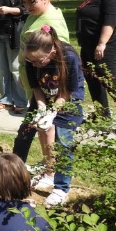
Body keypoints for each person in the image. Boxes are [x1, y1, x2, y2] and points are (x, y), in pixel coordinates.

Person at [11, 0, 71, 173]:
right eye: (24, 2)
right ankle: (48, 166)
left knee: (36, 128)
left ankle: (18, 169)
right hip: (36, 81)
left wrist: (48, 93)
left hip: (49, 87)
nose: (27, 6)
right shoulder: (35, 15)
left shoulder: (51, 20)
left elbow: (60, 57)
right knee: (39, 127)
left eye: (31, 2)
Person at [23, 25, 85, 208]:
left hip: (69, 100)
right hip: (46, 95)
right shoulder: (31, 58)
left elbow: (67, 92)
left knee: (64, 142)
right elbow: (35, 86)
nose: (34, 65)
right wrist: (42, 108)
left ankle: (61, 188)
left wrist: (53, 111)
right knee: (43, 131)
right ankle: (49, 173)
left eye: (39, 62)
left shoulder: (69, 58)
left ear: (51, 52)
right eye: (31, 61)